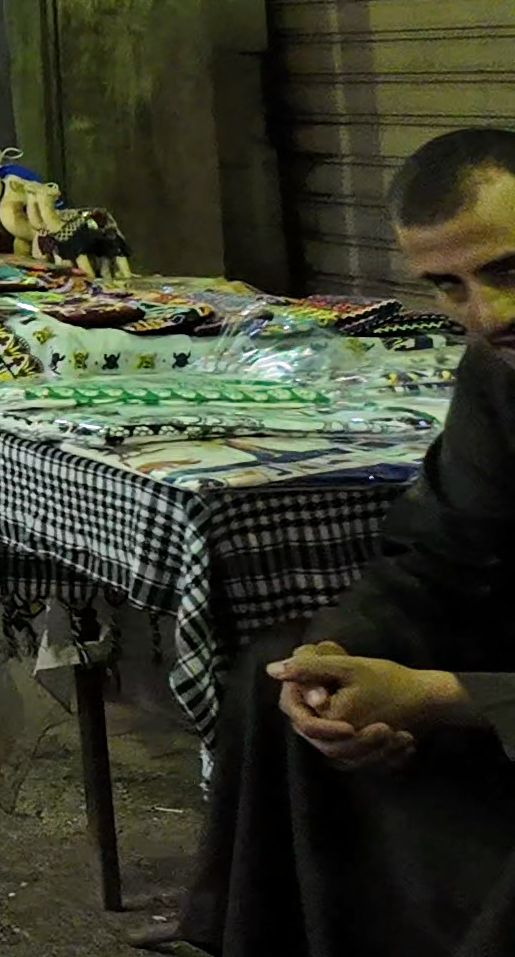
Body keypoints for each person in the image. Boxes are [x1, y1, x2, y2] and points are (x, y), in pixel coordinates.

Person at [185, 127, 515, 953]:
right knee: (281, 681)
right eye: (449, 287)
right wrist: (336, 658)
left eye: (509, 273)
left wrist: (442, 696)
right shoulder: (498, 370)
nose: (488, 315)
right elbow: (437, 552)